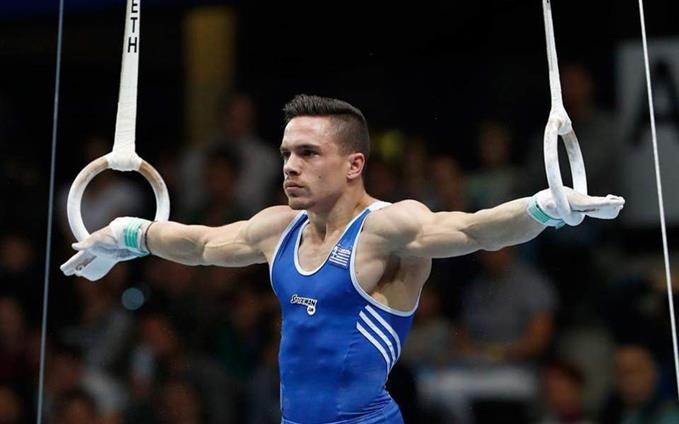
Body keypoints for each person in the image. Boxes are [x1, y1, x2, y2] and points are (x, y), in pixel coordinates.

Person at [63, 95, 625, 424]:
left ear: (354, 164)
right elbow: (201, 245)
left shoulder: (386, 228)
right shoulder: (277, 228)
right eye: (286, 153)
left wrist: (546, 208)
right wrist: (122, 234)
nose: (291, 166)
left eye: (308, 153)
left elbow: (475, 230)